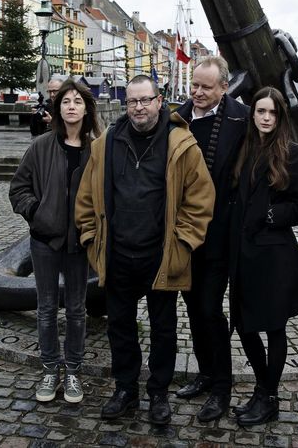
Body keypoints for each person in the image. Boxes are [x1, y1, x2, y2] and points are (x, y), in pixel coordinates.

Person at [75, 74, 215, 425]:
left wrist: (183, 243)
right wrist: (92, 239)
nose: (138, 107)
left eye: (145, 100)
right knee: (119, 327)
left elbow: (200, 200)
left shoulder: (181, 143)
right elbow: (87, 198)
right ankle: (125, 389)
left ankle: (158, 394)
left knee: (163, 330)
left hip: (161, 255)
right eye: (132, 102)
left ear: (159, 101)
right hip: (118, 255)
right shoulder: (106, 143)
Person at [230, 86, 298, 427]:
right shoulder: (246, 149)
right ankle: (264, 389)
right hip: (244, 254)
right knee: (244, 325)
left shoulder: (292, 153)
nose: (266, 118)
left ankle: (268, 396)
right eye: (260, 111)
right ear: (252, 115)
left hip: (274, 257)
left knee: (274, 328)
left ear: (279, 117)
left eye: (272, 113)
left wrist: (269, 215)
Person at [9, 79, 100, 404]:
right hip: (45, 242)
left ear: (86, 107)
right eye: (66, 101)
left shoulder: (96, 150)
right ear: (58, 107)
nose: (72, 106)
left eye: (77, 101)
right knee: (47, 308)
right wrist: (38, 214)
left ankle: (73, 372)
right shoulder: (41, 146)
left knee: (76, 310)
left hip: (79, 245)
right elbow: (19, 188)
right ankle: (50, 369)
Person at [175, 56, 248, 421]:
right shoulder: (177, 118)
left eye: (206, 86)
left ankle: (222, 387)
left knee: (208, 308)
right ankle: (205, 374)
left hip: (220, 233)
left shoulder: (241, 119)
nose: (198, 92)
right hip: (185, 234)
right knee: (192, 308)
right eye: (195, 85)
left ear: (224, 87)